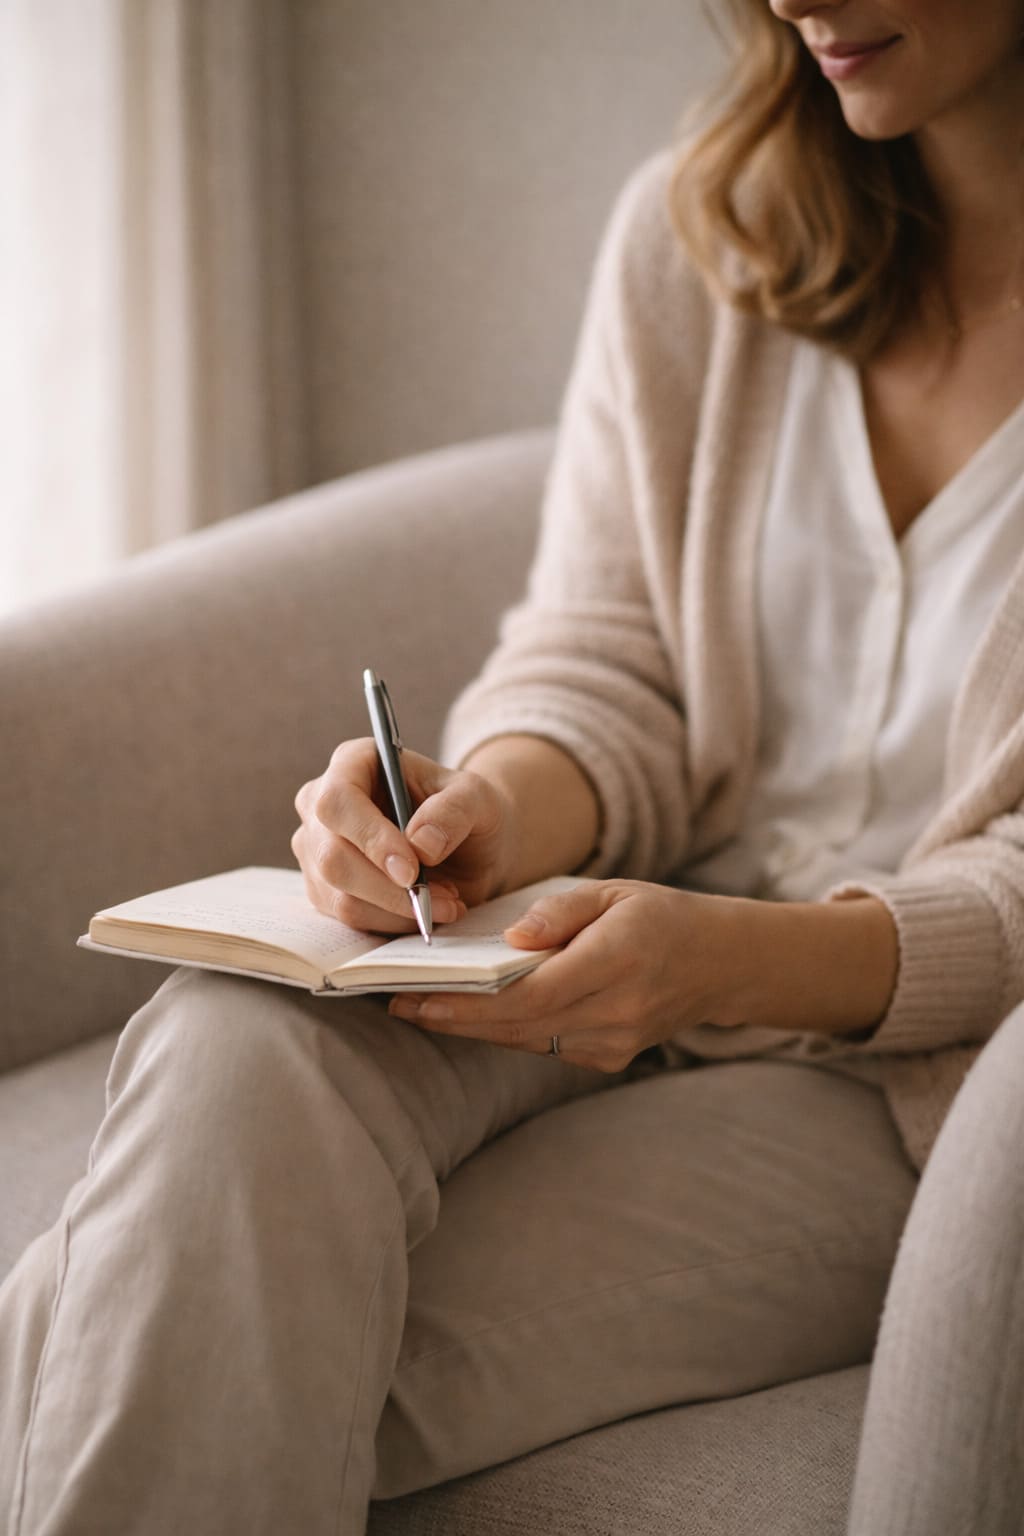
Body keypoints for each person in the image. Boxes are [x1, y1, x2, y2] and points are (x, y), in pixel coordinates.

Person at [2, 0, 1023, 1531]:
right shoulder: (711, 234)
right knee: (239, 1030)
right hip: (608, 925)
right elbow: (606, 654)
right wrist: (487, 804)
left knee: (202, 1327)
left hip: (913, 1096)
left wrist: (728, 961)